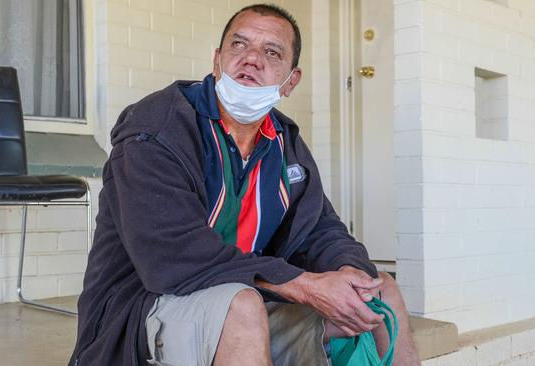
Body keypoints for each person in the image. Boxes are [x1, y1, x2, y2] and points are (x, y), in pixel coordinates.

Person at [69, 4, 420, 366]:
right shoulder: (158, 128)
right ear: (217, 61)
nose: (252, 59)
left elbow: (320, 228)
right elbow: (171, 257)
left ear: (291, 81)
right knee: (242, 307)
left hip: (249, 293)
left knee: (380, 290)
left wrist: (349, 270)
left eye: (271, 52)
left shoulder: (283, 141)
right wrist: (304, 285)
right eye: (239, 45)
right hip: (142, 311)